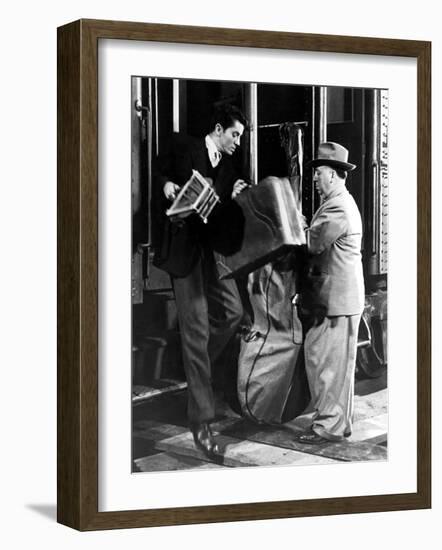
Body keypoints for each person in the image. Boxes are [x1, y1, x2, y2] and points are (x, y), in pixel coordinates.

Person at [153, 104, 249, 459]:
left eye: (241, 137)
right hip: (184, 255)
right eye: (235, 135)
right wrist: (165, 187)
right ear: (219, 129)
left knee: (233, 313)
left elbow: (222, 221)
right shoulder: (184, 147)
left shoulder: (227, 170)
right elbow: (156, 171)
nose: (238, 142)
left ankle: (197, 375)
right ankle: (202, 423)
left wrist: (234, 199)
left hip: (210, 256)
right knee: (195, 333)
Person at [297, 142, 365, 444]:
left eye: (319, 172)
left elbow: (312, 244)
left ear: (334, 176)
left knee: (327, 369)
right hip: (340, 299)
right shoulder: (339, 201)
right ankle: (338, 425)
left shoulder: (337, 205)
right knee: (335, 370)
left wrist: (293, 225)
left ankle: (328, 429)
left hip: (336, 301)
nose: (315, 178)